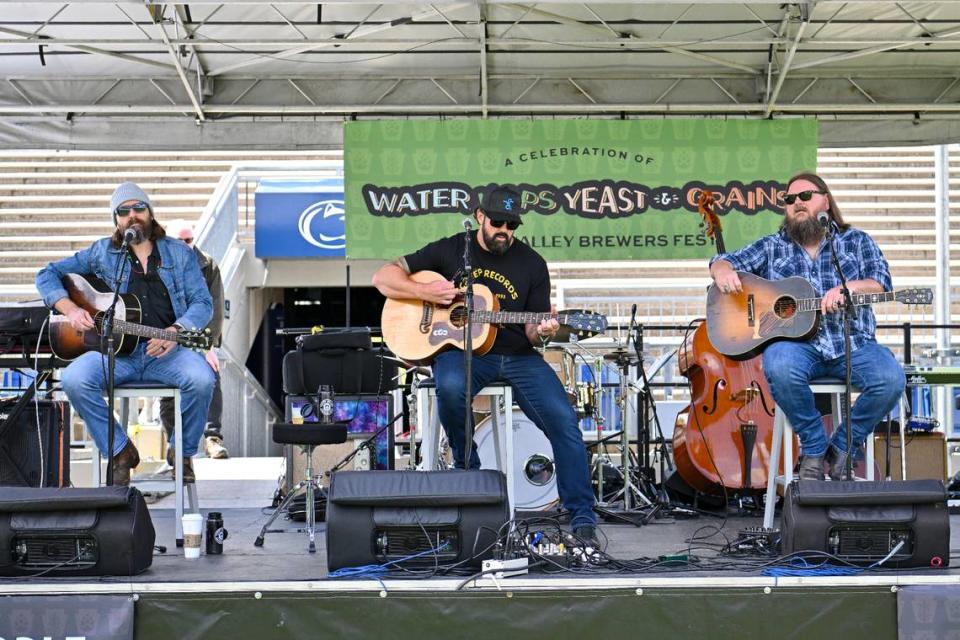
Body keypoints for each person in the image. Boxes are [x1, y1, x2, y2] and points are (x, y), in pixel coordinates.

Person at [372, 186, 598, 539]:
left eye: (511, 225)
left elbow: (532, 333)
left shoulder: (532, 264)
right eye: (498, 222)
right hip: (464, 355)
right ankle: (468, 471)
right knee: (448, 387)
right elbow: (383, 277)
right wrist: (426, 292)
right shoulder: (450, 250)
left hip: (518, 356)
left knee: (564, 420)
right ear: (479, 216)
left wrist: (545, 331)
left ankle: (582, 515)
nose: (504, 231)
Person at [709, 172, 905, 480]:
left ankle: (843, 448)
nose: (797, 204)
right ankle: (814, 447)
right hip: (799, 348)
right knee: (780, 365)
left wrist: (851, 288)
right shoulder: (772, 246)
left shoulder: (856, 241)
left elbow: (880, 283)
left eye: (805, 197)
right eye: (789, 200)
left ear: (825, 200)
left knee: (891, 379)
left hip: (853, 344)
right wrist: (721, 271)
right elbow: (723, 260)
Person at [36, 182, 216, 486]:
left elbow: (203, 303)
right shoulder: (102, 253)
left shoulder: (179, 254)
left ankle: (181, 452)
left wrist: (175, 332)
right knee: (74, 379)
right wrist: (69, 309)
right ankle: (121, 451)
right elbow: (47, 273)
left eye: (138, 208)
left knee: (202, 379)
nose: (132, 215)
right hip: (118, 353)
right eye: (124, 211)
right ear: (116, 219)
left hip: (169, 352)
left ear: (150, 213)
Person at [160, 219, 229, 462]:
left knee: (211, 375)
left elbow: (216, 309)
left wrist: (205, 345)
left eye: (188, 240)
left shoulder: (208, 265)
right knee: (168, 394)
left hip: (198, 336)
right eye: (179, 241)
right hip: (169, 337)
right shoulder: (156, 265)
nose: (185, 245)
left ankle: (212, 437)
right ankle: (175, 444)